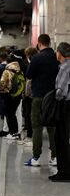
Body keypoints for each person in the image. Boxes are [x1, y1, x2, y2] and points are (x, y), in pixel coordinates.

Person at [24, 34, 59, 167]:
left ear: (39, 44)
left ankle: (36, 158)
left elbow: (29, 75)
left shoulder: (37, 57)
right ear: (49, 43)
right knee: (52, 128)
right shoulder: (56, 57)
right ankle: (55, 157)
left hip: (38, 97)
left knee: (37, 127)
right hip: (53, 97)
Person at [49, 42, 70, 182]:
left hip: (65, 106)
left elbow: (60, 92)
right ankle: (63, 171)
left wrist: (53, 96)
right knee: (63, 138)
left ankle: (64, 172)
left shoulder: (65, 68)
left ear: (60, 53)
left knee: (61, 139)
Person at [0, 58, 22, 140]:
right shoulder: (19, 71)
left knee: (9, 115)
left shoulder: (7, 71)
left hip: (8, 95)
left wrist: (1, 92)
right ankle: (15, 133)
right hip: (17, 96)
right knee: (13, 114)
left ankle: (12, 133)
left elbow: (2, 83)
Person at [20, 46, 39, 143]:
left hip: (31, 93)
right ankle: (30, 132)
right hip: (34, 93)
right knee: (31, 114)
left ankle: (30, 135)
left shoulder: (31, 64)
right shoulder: (34, 62)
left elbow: (29, 79)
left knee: (29, 114)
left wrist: (25, 93)